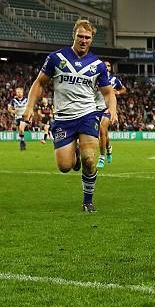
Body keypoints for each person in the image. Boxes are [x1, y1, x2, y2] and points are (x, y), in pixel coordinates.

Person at [22, 19, 117, 212]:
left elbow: (108, 92)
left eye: (87, 37)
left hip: (88, 115)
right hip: (64, 119)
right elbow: (39, 83)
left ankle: (87, 201)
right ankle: (74, 155)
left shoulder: (97, 65)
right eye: (80, 36)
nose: (83, 40)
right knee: (65, 166)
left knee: (90, 160)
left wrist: (112, 110)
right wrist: (29, 107)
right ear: (74, 35)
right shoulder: (56, 58)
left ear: (91, 39)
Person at [95, 60, 126, 169]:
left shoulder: (114, 80)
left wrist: (117, 92)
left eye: (108, 66)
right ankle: (108, 148)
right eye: (104, 65)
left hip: (107, 108)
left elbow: (123, 89)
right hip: (94, 108)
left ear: (110, 68)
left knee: (102, 130)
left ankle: (101, 157)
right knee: (104, 133)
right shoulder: (95, 77)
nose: (106, 67)